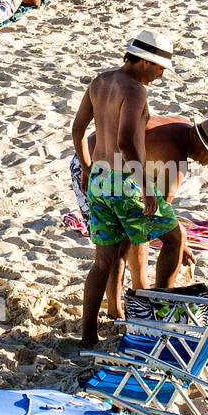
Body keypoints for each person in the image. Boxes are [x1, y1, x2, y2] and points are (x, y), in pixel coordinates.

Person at [71, 28, 181, 347]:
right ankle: (160, 313)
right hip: (124, 181)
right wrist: (146, 187)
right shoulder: (135, 91)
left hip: (99, 180)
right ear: (145, 62)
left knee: (103, 261)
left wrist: (87, 167)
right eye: (161, 68)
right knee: (174, 239)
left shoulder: (100, 81)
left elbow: (78, 129)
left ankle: (88, 335)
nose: (161, 75)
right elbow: (127, 143)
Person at [69, 114, 208, 317]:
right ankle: (157, 305)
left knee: (123, 240)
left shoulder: (182, 124)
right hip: (89, 165)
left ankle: (127, 303)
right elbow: (157, 214)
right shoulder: (176, 156)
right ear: (203, 148)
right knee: (119, 245)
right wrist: (180, 242)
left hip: (107, 163)